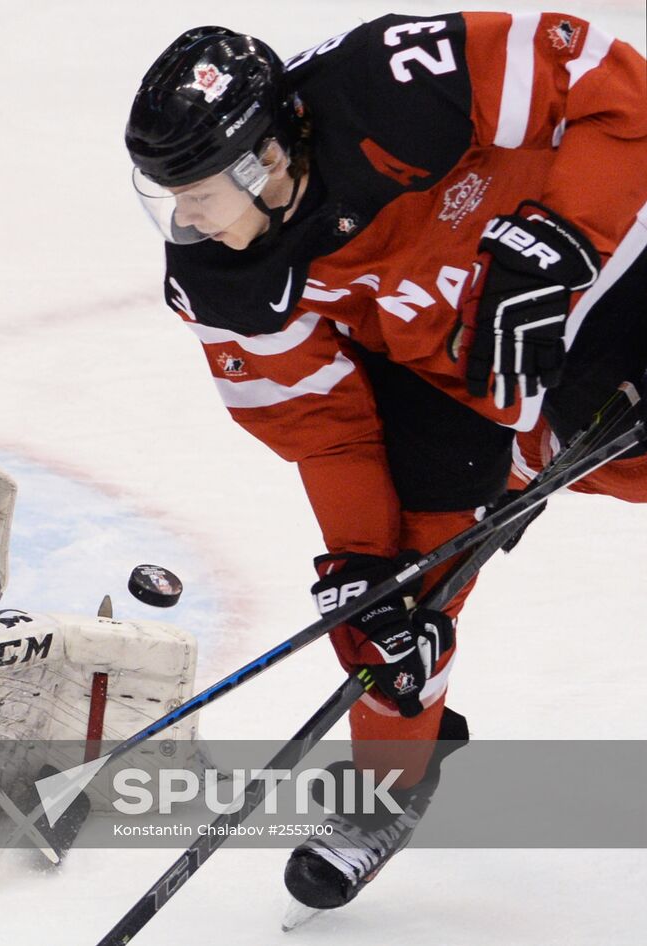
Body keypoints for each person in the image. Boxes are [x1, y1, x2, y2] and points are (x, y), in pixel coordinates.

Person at [123, 13, 647, 913]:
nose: (185, 218)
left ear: (265, 163)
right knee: (393, 605)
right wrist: (360, 569)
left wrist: (561, 234)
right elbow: (325, 427)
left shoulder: (392, 84)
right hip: (464, 373)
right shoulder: (221, 278)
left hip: (612, 269)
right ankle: (395, 777)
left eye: (199, 192)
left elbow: (614, 88)